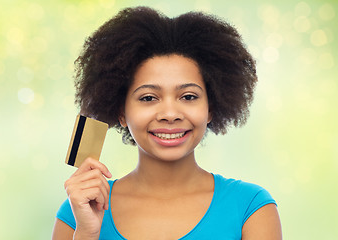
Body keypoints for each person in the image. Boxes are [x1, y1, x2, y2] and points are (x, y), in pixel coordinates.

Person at [52, 6, 282, 240]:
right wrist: (87, 233)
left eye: (189, 97)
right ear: (120, 111)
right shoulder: (77, 211)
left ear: (211, 108)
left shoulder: (250, 209)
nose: (170, 114)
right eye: (148, 98)